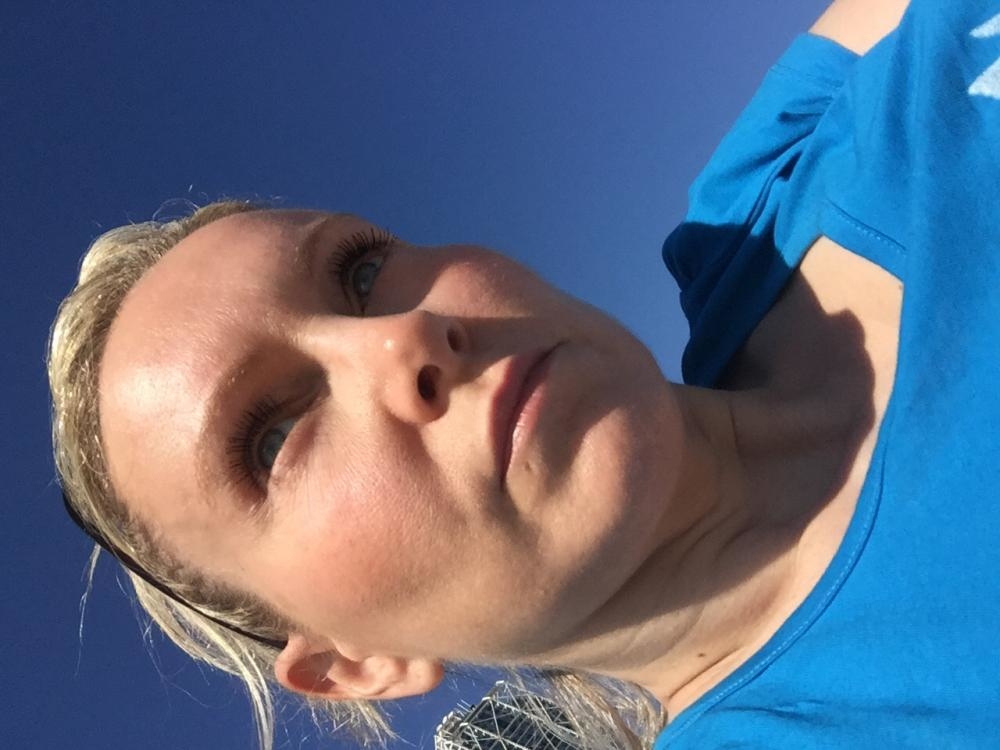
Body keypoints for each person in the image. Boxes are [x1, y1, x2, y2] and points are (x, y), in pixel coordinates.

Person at [48, 0, 1000, 747]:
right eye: (271, 438)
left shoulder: (747, 208)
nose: (405, 341)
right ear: (356, 664)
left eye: (361, 273)